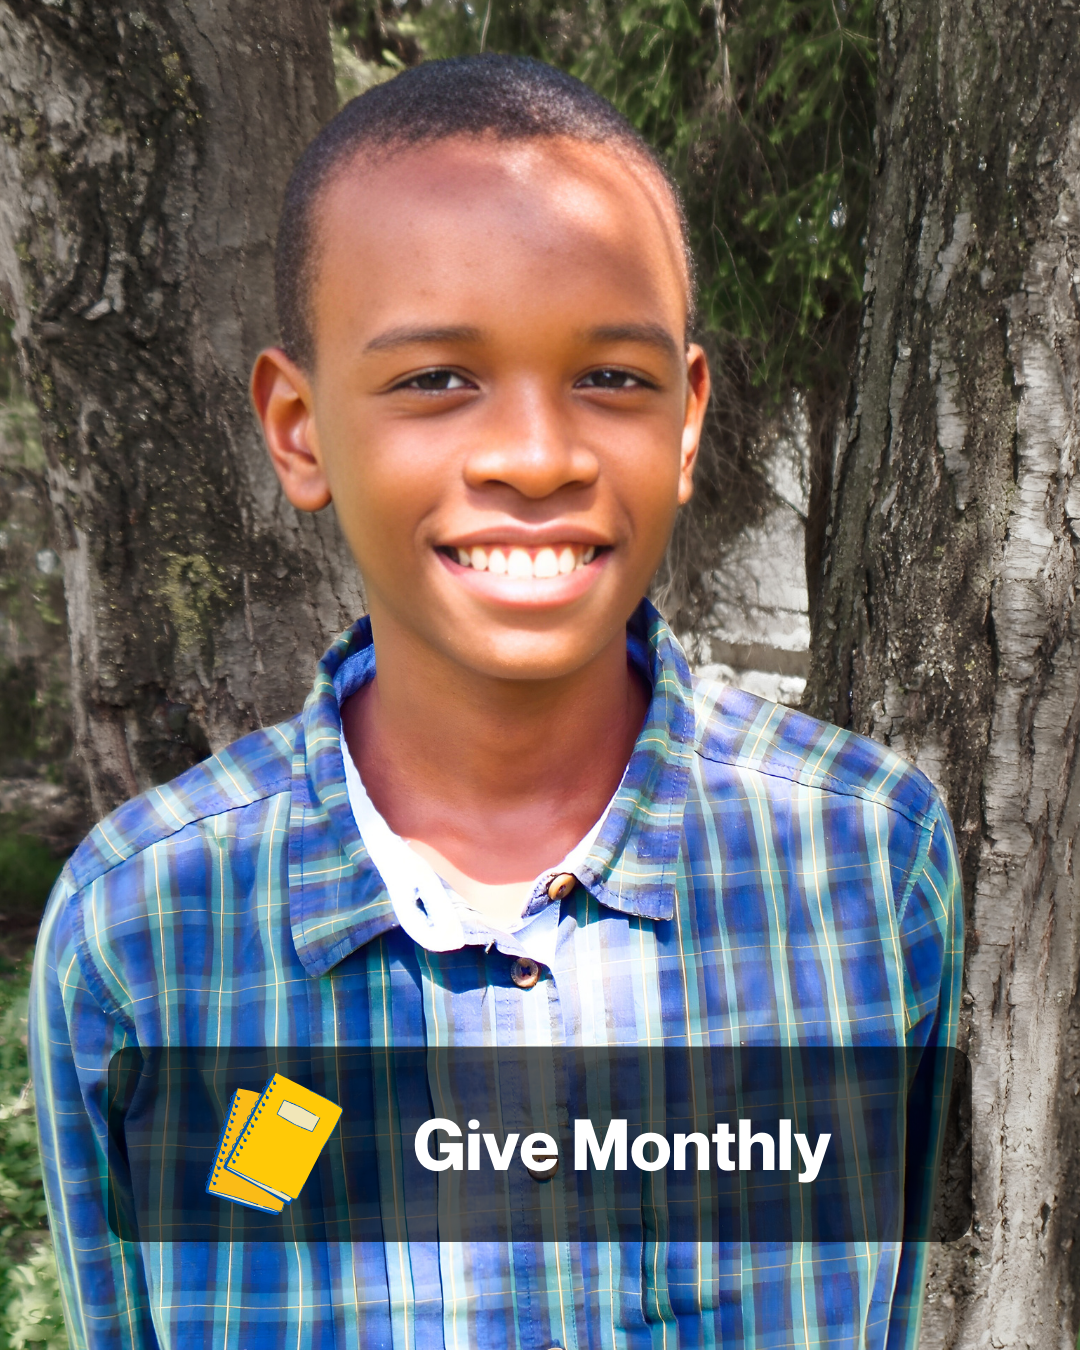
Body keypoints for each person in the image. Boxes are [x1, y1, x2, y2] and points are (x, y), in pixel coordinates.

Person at [30, 53, 962, 1350]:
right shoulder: (143, 928)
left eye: (612, 378)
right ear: (299, 428)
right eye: (436, 379)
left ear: (688, 422)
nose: (535, 457)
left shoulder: (863, 859)